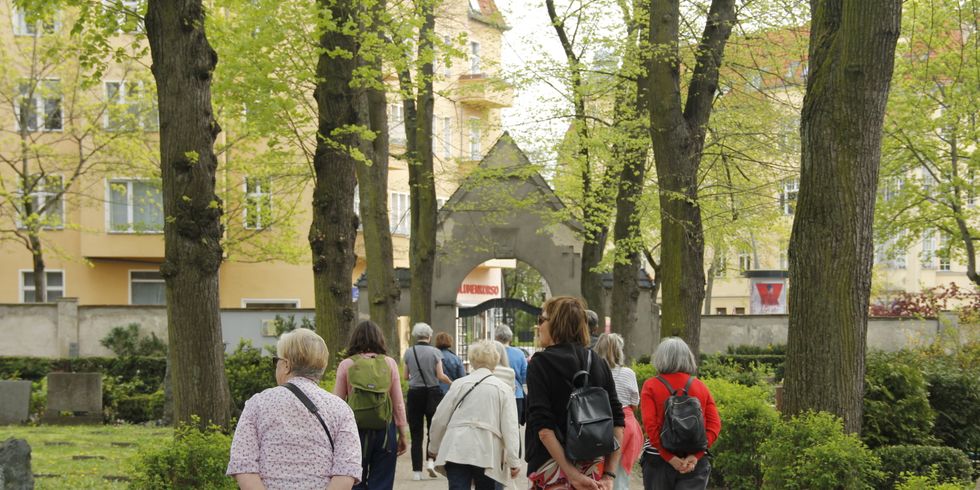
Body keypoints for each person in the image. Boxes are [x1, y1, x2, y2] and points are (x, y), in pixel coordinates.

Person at [227, 328, 361, 490]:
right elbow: (346, 471)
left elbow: (243, 465)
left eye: (277, 360)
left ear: (286, 365)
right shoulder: (341, 409)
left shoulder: (258, 404)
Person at [526, 296, 625, 490]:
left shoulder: (540, 363)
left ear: (556, 323)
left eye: (541, 320)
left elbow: (544, 429)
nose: (538, 326)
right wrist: (609, 475)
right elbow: (618, 422)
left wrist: (572, 476)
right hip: (593, 471)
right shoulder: (598, 361)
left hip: (552, 468)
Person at [428, 340, 522, 490]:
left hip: (456, 448)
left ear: (472, 360)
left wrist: (433, 447)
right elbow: (510, 428)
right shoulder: (504, 389)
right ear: (496, 360)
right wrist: (513, 461)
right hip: (488, 452)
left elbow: (439, 418)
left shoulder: (458, 384)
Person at [333, 320, 409, 490]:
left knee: (354, 478)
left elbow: (336, 403)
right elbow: (397, 403)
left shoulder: (347, 364)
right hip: (384, 429)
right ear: (380, 339)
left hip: (353, 430)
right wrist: (402, 433)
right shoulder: (389, 363)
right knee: (381, 481)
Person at [639, 337, 721, 490]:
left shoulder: (650, 386)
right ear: (688, 357)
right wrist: (696, 456)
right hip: (693, 462)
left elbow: (650, 427)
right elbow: (715, 425)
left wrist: (669, 457)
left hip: (658, 461)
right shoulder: (700, 386)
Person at [403, 322, 454, 480]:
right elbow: (440, 375)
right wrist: (453, 383)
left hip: (414, 394)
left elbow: (405, 376)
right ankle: (431, 462)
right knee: (433, 429)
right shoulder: (435, 352)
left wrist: (416, 378)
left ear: (415, 336)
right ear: (429, 336)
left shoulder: (409, 352)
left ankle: (416, 472)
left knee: (416, 433)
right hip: (432, 394)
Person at [594, 333, 643, 490]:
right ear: (619, 351)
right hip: (626, 425)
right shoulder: (628, 373)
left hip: (598, 425)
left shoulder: (594, 372)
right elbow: (635, 404)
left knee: (595, 469)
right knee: (620, 474)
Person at [494, 324, 529, 425]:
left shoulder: (491, 352)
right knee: (513, 426)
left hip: (495, 392)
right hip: (516, 394)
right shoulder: (519, 353)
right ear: (510, 338)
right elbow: (524, 376)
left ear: (496, 337)